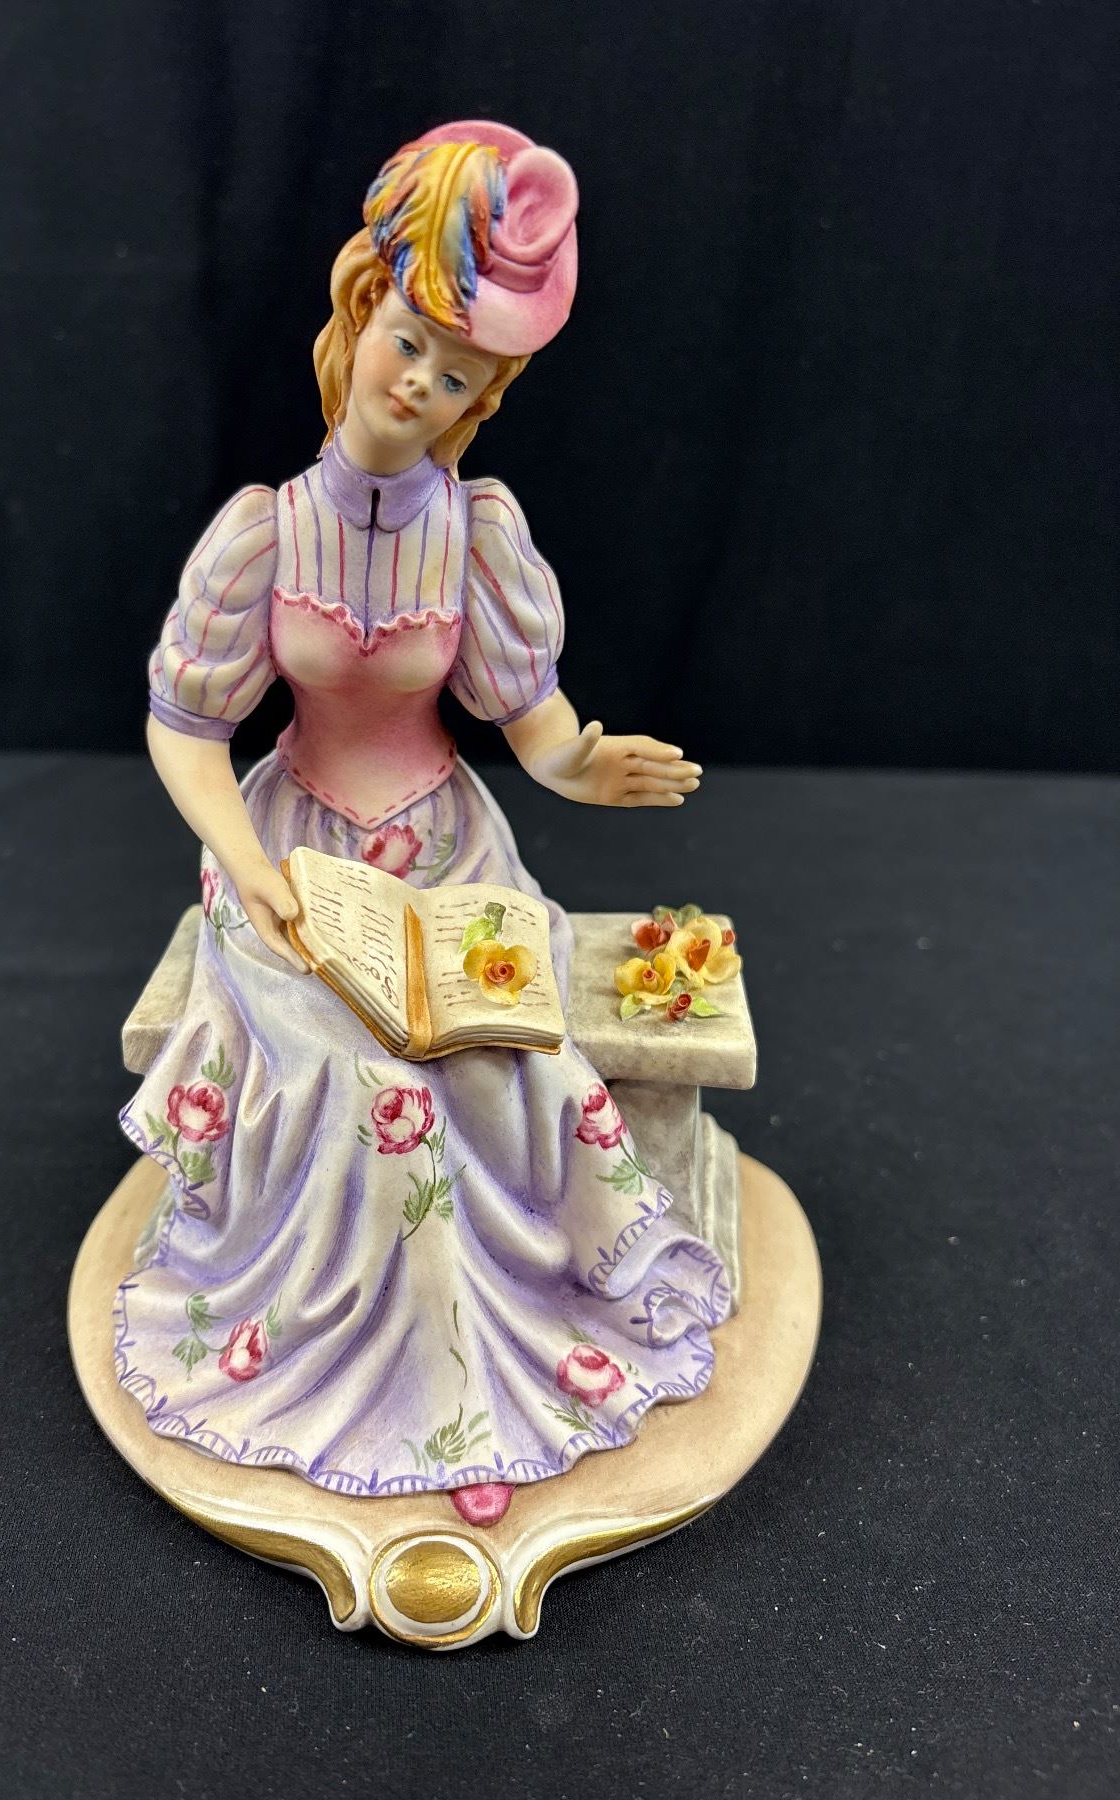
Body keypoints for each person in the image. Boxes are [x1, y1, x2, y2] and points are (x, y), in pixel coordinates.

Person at [116, 121, 731, 1525]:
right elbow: (185, 726)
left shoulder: (479, 535)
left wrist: (583, 768)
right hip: (293, 857)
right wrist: (246, 867)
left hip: (448, 855)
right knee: (357, 1084)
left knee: (494, 1053)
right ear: (359, 316)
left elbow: (534, 725)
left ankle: (480, 1375)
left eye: (455, 376)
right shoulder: (263, 534)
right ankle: (404, 1385)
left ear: (479, 399)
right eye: (408, 344)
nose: (417, 384)